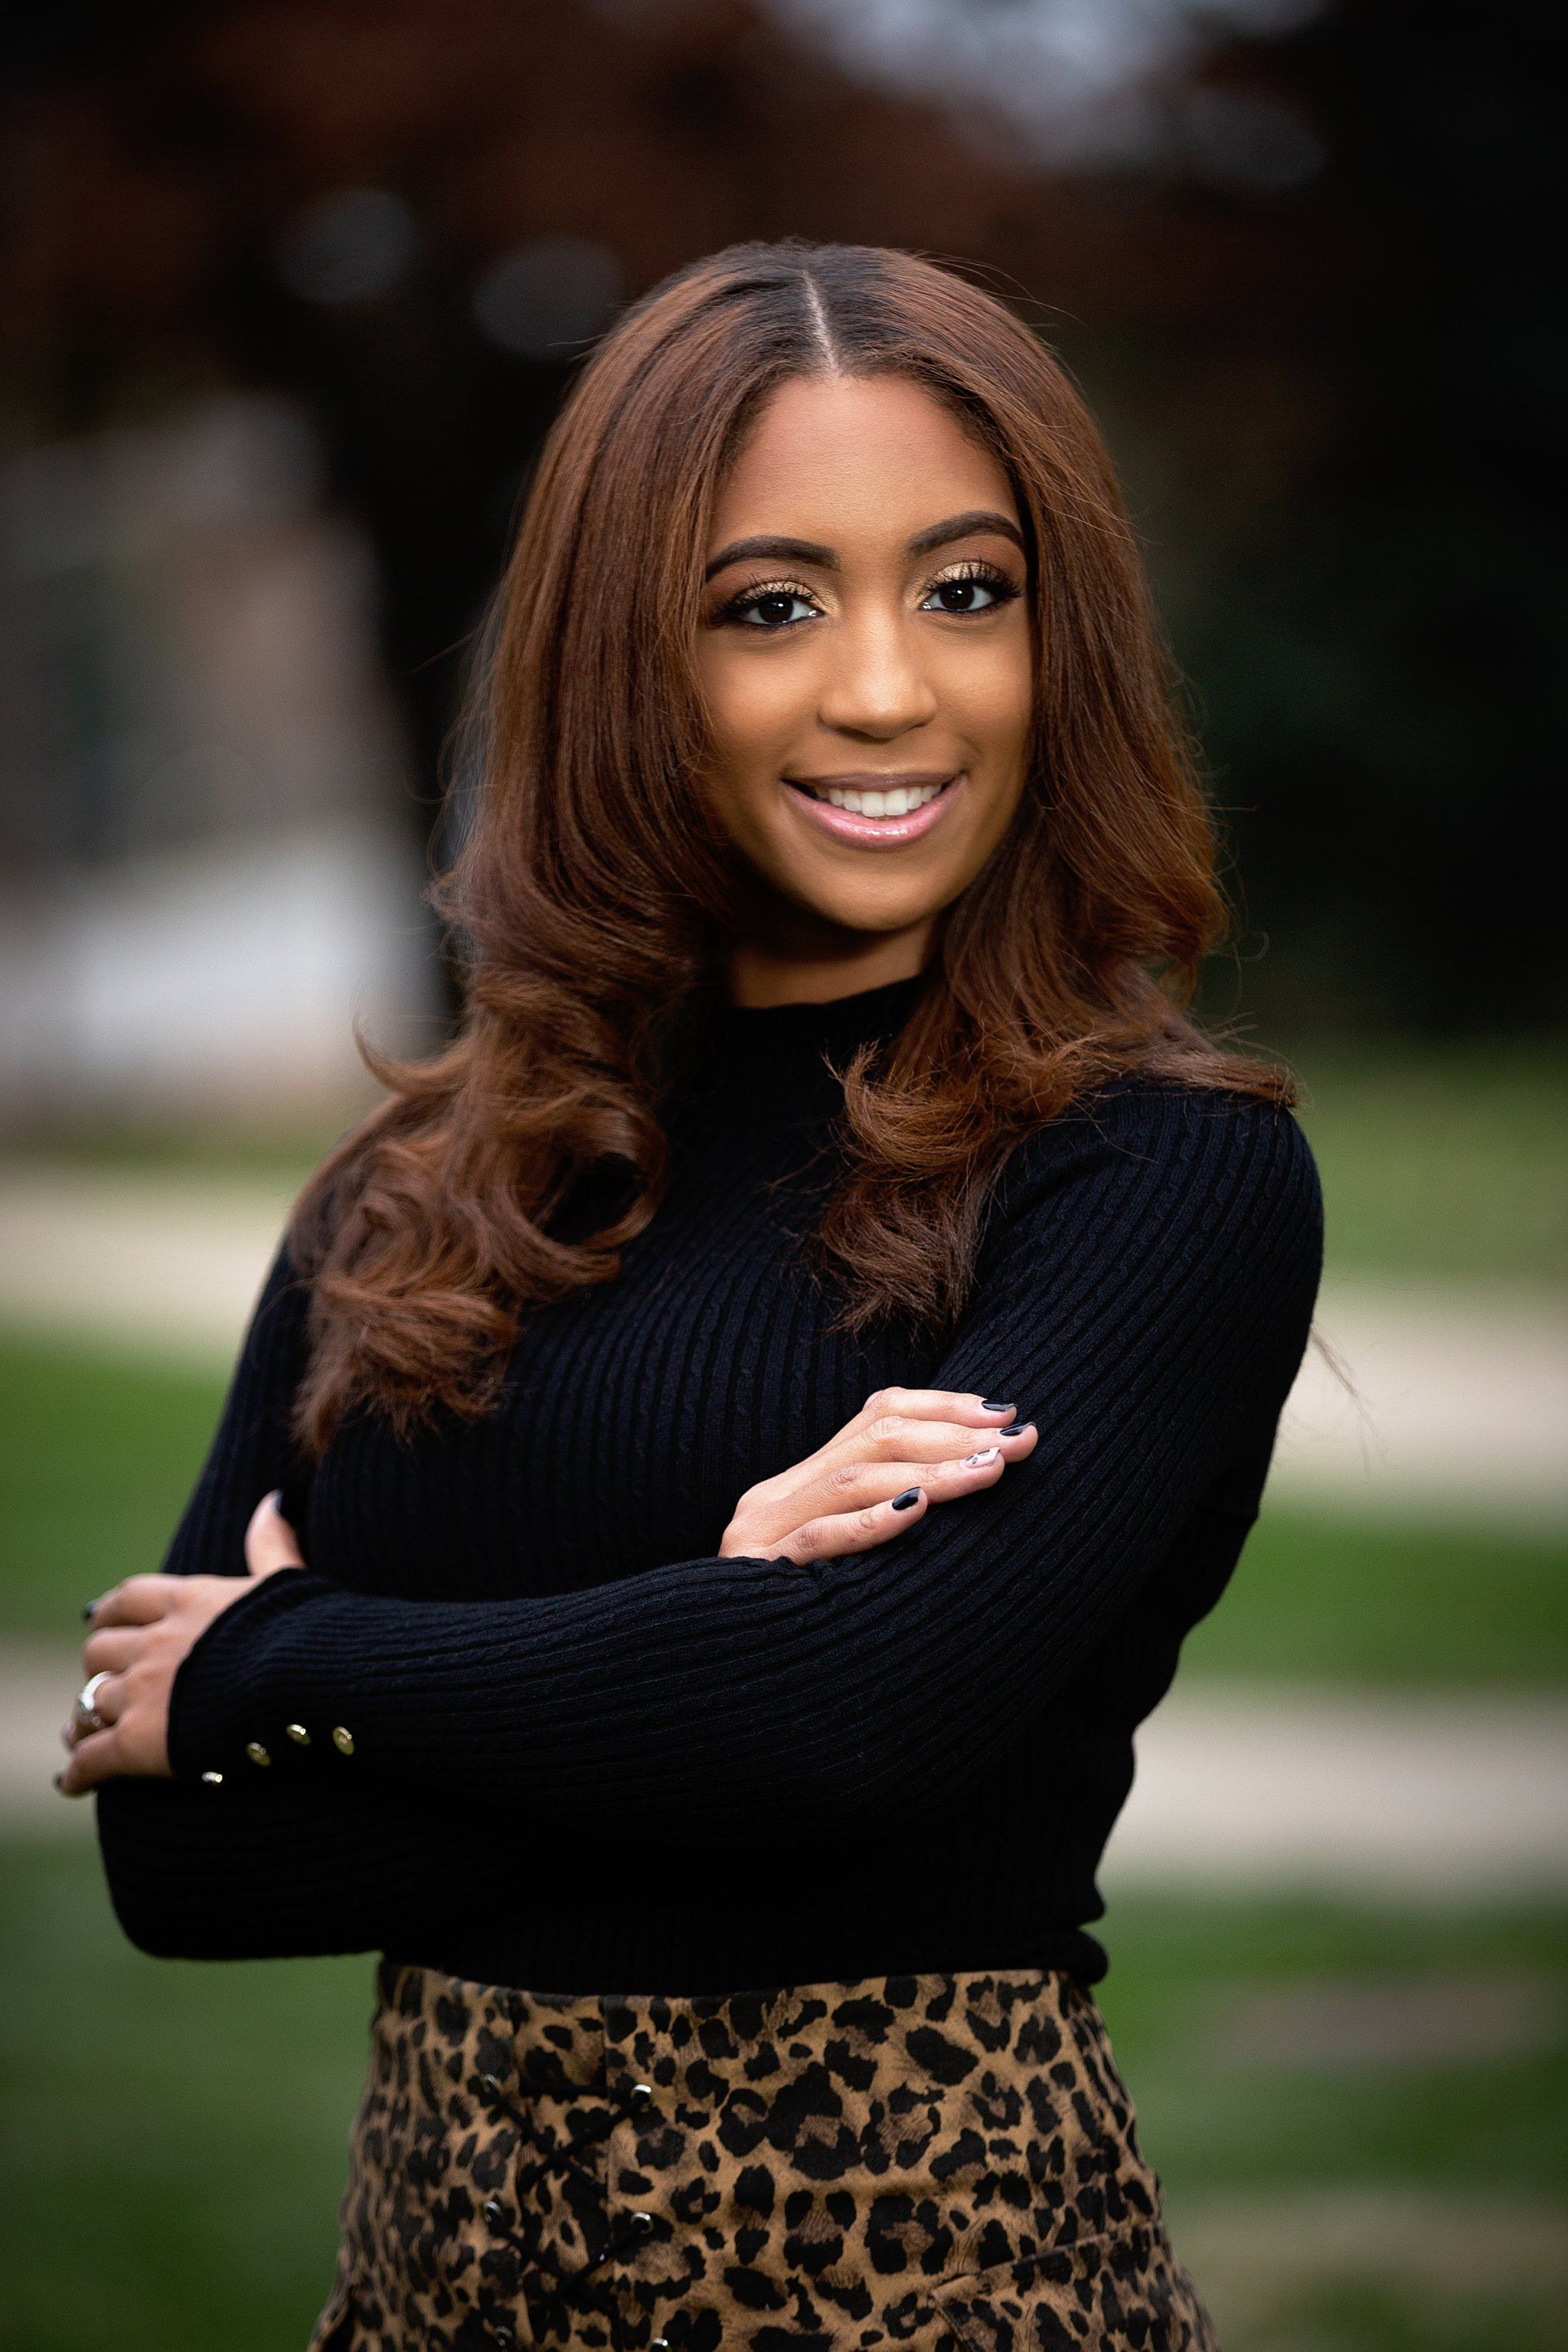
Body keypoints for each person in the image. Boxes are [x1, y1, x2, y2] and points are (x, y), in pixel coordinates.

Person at [60, 240, 1322, 2351]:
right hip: (434, 2290)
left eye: (966, 589)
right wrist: (707, 1629)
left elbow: (843, 1734)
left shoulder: (1150, 1174)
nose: (887, 689)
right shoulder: (411, 1194)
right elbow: (187, 1873)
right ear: (624, 652)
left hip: (923, 2289)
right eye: (770, 605)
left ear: (1060, 632)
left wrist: (292, 1656)